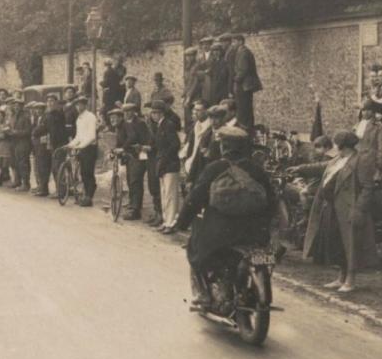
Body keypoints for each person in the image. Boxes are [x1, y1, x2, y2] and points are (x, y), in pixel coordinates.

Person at [173, 126, 276, 305]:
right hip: (254, 232)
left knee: (194, 248)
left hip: (221, 232)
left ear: (223, 147)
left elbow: (195, 198)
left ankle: (203, 294)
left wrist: (182, 222)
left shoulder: (214, 168)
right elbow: (271, 201)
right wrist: (266, 225)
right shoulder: (256, 170)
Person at [289, 130, 378, 292]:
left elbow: (367, 187)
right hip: (332, 207)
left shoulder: (360, 161)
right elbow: (321, 167)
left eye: (337, 144)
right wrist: (300, 168)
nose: (335, 147)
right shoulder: (339, 159)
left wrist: (358, 209)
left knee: (350, 245)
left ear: (343, 146)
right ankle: (341, 277)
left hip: (348, 209)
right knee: (337, 244)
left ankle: (350, 280)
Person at [152, 96, 184, 233]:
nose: (154, 115)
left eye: (156, 113)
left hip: (170, 164)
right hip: (163, 164)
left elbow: (175, 144)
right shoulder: (160, 125)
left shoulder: (168, 125)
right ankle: (166, 221)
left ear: (162, 113)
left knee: (170, 195)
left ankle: (171, 223)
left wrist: (164, 158)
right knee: (164, 193)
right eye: (153, 113)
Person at [117, 103, 150, 220]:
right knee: (131, 180)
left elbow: (133, 137)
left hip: (141, 154)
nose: (126, 114)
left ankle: (135, 209)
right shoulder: (126, 123)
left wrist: (123, 148)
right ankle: (132, 205)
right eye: (125, 112)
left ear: (134, 112)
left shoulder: (139, 123)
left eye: (129, 111)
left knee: (136, 180)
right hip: (131, 155)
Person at [66, 94, 99, 206]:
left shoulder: (90, 117)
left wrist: (81, 146)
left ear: (85, 105)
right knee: (83, 173)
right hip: (82, 147)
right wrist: (70, 144)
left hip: (90, 147)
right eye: (77, 105)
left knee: (88, 172)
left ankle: (89, 197)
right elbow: (78, 136)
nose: (79, 107)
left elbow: (92, 136)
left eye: (81, 105)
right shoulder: (79, 119)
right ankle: (85, 195)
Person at [231, 34, 263, 129]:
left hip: (244, 85)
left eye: (234, 42)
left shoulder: (243, 52)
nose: (233, 44)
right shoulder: (242, 52)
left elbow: (243, 70)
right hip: (245, 85)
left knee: (243, 108)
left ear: (240, 41)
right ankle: (247, 127)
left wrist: (235, 79)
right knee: (245, 108)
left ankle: (245, 128)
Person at [354, 103, 382, 177]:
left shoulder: (379, 126)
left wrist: (380, 163)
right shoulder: (358, 125)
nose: (365, 113)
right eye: (363, 110)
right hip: (357, 158)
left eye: (368, 110)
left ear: (373, 111)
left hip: (370, 160)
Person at [8, 99, 33, 191]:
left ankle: (26, 184)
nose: (16, 107)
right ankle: (17, 181)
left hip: (23, 142)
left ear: (22, 106)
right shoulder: (13, 116)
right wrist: (8, 131)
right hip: (14, 142)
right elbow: (11, 128)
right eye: (15, 105)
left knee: (23, 163)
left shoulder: (26, 116)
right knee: (15, 162)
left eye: (18, 105)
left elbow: (28, 131)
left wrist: (16, 132)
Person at [203, 42, 230, 106]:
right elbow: (211, 72)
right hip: (214, 87)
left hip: (223, 87)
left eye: (217, 50)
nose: (215, 52)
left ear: (221, 51)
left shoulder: (224, 61)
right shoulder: (213, 62)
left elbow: (224, 75)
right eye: (214, 51)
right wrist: (208, 72)